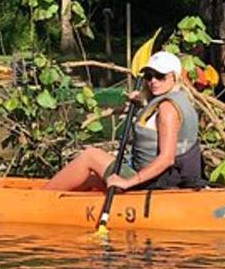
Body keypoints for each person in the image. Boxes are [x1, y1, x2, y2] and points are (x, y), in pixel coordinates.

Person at [42, 51, 202, 192]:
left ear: (175, 77)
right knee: (90, 178)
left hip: (155, 181)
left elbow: (167, 159)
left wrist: (129, 182)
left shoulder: (168, 109)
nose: (153, 81)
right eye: (148, 76)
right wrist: (141, 104)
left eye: (160, 76)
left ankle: (39, 200)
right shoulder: (179, 99)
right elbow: (154, 123)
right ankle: (61, 199)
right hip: (163, 177)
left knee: (91, 156)